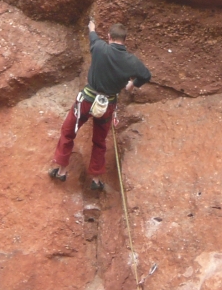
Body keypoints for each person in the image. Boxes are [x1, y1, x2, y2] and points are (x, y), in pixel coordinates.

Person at [49, 20, 151, 190]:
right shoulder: (131, 60)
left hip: (87, 101)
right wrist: (132, 85)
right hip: (107, 106)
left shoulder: (99, 47)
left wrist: (92, 27)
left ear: (109, 37)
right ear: (124, 40)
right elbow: (146, 75)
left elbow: (92, 35)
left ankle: (61, 169)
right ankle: (95, 179)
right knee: (100, 141)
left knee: (68, 131)